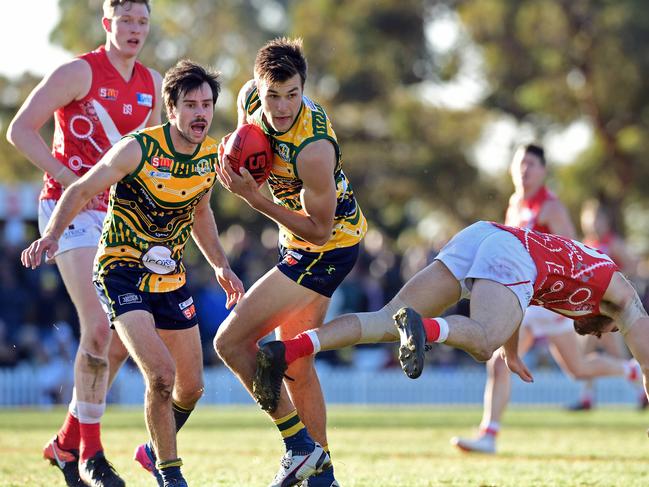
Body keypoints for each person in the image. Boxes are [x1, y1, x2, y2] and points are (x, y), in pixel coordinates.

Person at [21, 59, 244, 487]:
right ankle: (170, 473)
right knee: (160, 375)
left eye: (207, 104)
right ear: (171, 109)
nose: (201, 113)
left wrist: (221, 265)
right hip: (121, 270)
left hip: (169, 277)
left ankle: (137, 448)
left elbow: (201, 211)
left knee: (191, 387)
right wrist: (51, 235)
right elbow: (82, 188)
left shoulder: (210, 156)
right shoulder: (138, 147)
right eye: (191, 105)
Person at [253, 223, 649, 440]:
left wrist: (511, 353)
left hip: (486, 235)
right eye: (609, 331)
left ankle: (287, 350)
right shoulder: (622, 298)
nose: (602, 335)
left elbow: (516, 298)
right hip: (511, 255)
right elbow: (646, 359)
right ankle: (423, 328)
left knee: (387, 318)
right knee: (482, 342)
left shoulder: (589, 278)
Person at [7, 1, 161, 485]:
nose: (135, 30)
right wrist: (69, 178)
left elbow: (146, 159)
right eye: (126, 21)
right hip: (67, 210)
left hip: (118, 217)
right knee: (97, 326)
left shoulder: (152, 84)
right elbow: (19, 130)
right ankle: (89, 455)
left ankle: (65, 441)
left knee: (119, 337)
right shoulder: (79, 72)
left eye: (142, 22)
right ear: (107, 24)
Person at [214, 37, 367, 487]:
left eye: (293, 94)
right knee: (297, 361)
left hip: (328, 246)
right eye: (272, 95)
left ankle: (299, 447)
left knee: (230, 342)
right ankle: (322, 477)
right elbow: (249, 113)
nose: (282, 108)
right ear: (258, 90)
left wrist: (252, 197)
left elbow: (319, 229)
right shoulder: (251, 103)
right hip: (298, 244)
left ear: (305, 87)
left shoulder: (314, 150)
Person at [451, 145, 640, 453]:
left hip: (551, 303)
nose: (524, 169)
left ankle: (489, 433)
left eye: (531, 164)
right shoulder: (514, 205)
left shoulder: (551, 208)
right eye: (519, 163)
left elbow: (572, 253)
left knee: (565, 367)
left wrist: (577, 303)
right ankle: (629, 370)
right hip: (528, 302)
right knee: (523, 364)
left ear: (543, 171)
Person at [568, 199, 644, 410]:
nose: (593, 224)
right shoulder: (586, 243)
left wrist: (618, 286)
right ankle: (586, 398)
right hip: (592, 310)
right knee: (584, 355)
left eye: (596, 220)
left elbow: (633, 265)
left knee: (619, 356)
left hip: (611, 311)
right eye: (588, 220)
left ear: (606, 220)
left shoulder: (613, 243)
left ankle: (642, 394)